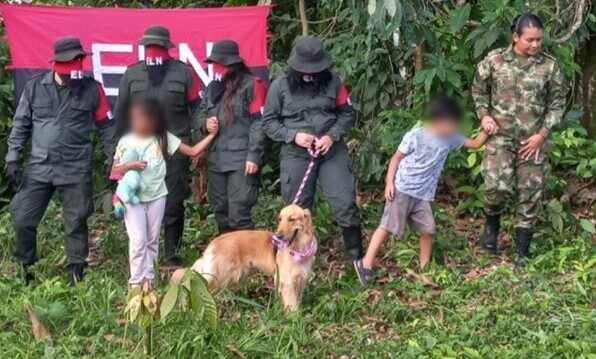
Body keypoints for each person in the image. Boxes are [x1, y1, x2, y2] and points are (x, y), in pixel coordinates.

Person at [5, 37, 115, 285]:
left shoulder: (91, 89)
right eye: (67, 63)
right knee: (23, 217)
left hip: (75, 167)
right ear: (55, 63)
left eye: (76, 62)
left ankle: (76, 274)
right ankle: (26, 270)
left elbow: (107, 127)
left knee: (76, 222)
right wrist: (13, 156)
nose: (72, 69)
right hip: (39, 167)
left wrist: (113, 159)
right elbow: (21, 123)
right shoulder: (35, 87)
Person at [354, 97, 488, 285]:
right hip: (402, 189)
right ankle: (365, 263)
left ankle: (425, 269)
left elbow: (475, 144)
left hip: (423, 195)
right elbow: (396, 158)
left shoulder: (451, 138)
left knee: (427, 229)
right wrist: (389, 183)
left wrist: (487, 127)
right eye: (451, 124)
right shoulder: (416, 135)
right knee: (387, 226)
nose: (454, 128)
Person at [471, 13, 567, 261]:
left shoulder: (549, 66)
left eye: (539, 40)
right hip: (500, 138)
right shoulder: (495, 61)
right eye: (530, 40)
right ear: (515, 37)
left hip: (532, 141)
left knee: (530, 192)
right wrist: (484, 116)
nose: (535, 45)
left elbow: (558, 104)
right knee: (495, 188)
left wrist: (542, 135)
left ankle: (522, 251)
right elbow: (479, 89)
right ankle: (491, 230)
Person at [262, 36, 363, 265]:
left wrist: (331, 136)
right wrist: (293, 136)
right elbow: (268, 122)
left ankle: (357, 260)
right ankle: (293, 262)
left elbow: (347, 114)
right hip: (296, 153)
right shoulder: (279, 86)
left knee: (344, 201)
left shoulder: (334, 82)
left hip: (331, 151)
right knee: (296, 209)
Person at [115, 25, 202, 267]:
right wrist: (117, 155)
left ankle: (171, 254)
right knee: (137, 200)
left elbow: (196, 109)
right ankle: (140, 253)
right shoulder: (131, 74)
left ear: (167, 49)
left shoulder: (184, 73)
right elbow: (120, 113)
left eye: (158, 48)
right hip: (138, 152)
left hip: (173, 149)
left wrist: (201, 132)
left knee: (173, 201)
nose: (154, 53)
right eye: (149, 48)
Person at [112, 98, 216, 287]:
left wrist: (211, 136)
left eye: (144, 118)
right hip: (133, 199)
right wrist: (130, 165)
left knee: (152, 241)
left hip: (157, 196)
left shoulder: (162, 137)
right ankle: (135, 284)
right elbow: (114, 171)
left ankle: (149, 282)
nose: (140, 122)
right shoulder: (126, 141)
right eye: (136, 118)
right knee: (138, 241)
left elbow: (192, 151)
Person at [198, 40, 267, 233]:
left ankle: (247, 261)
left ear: (232, 64)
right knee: (221, 212)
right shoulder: (212, 87)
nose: (216, 68)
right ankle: (228, 260)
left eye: (220, 64)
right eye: (215, 64)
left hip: (241, 159)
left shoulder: (252, 85)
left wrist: (254, 156)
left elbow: (259, 123)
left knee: (239, 213)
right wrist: (205, 124)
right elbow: (199, 115)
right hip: (216, 159)